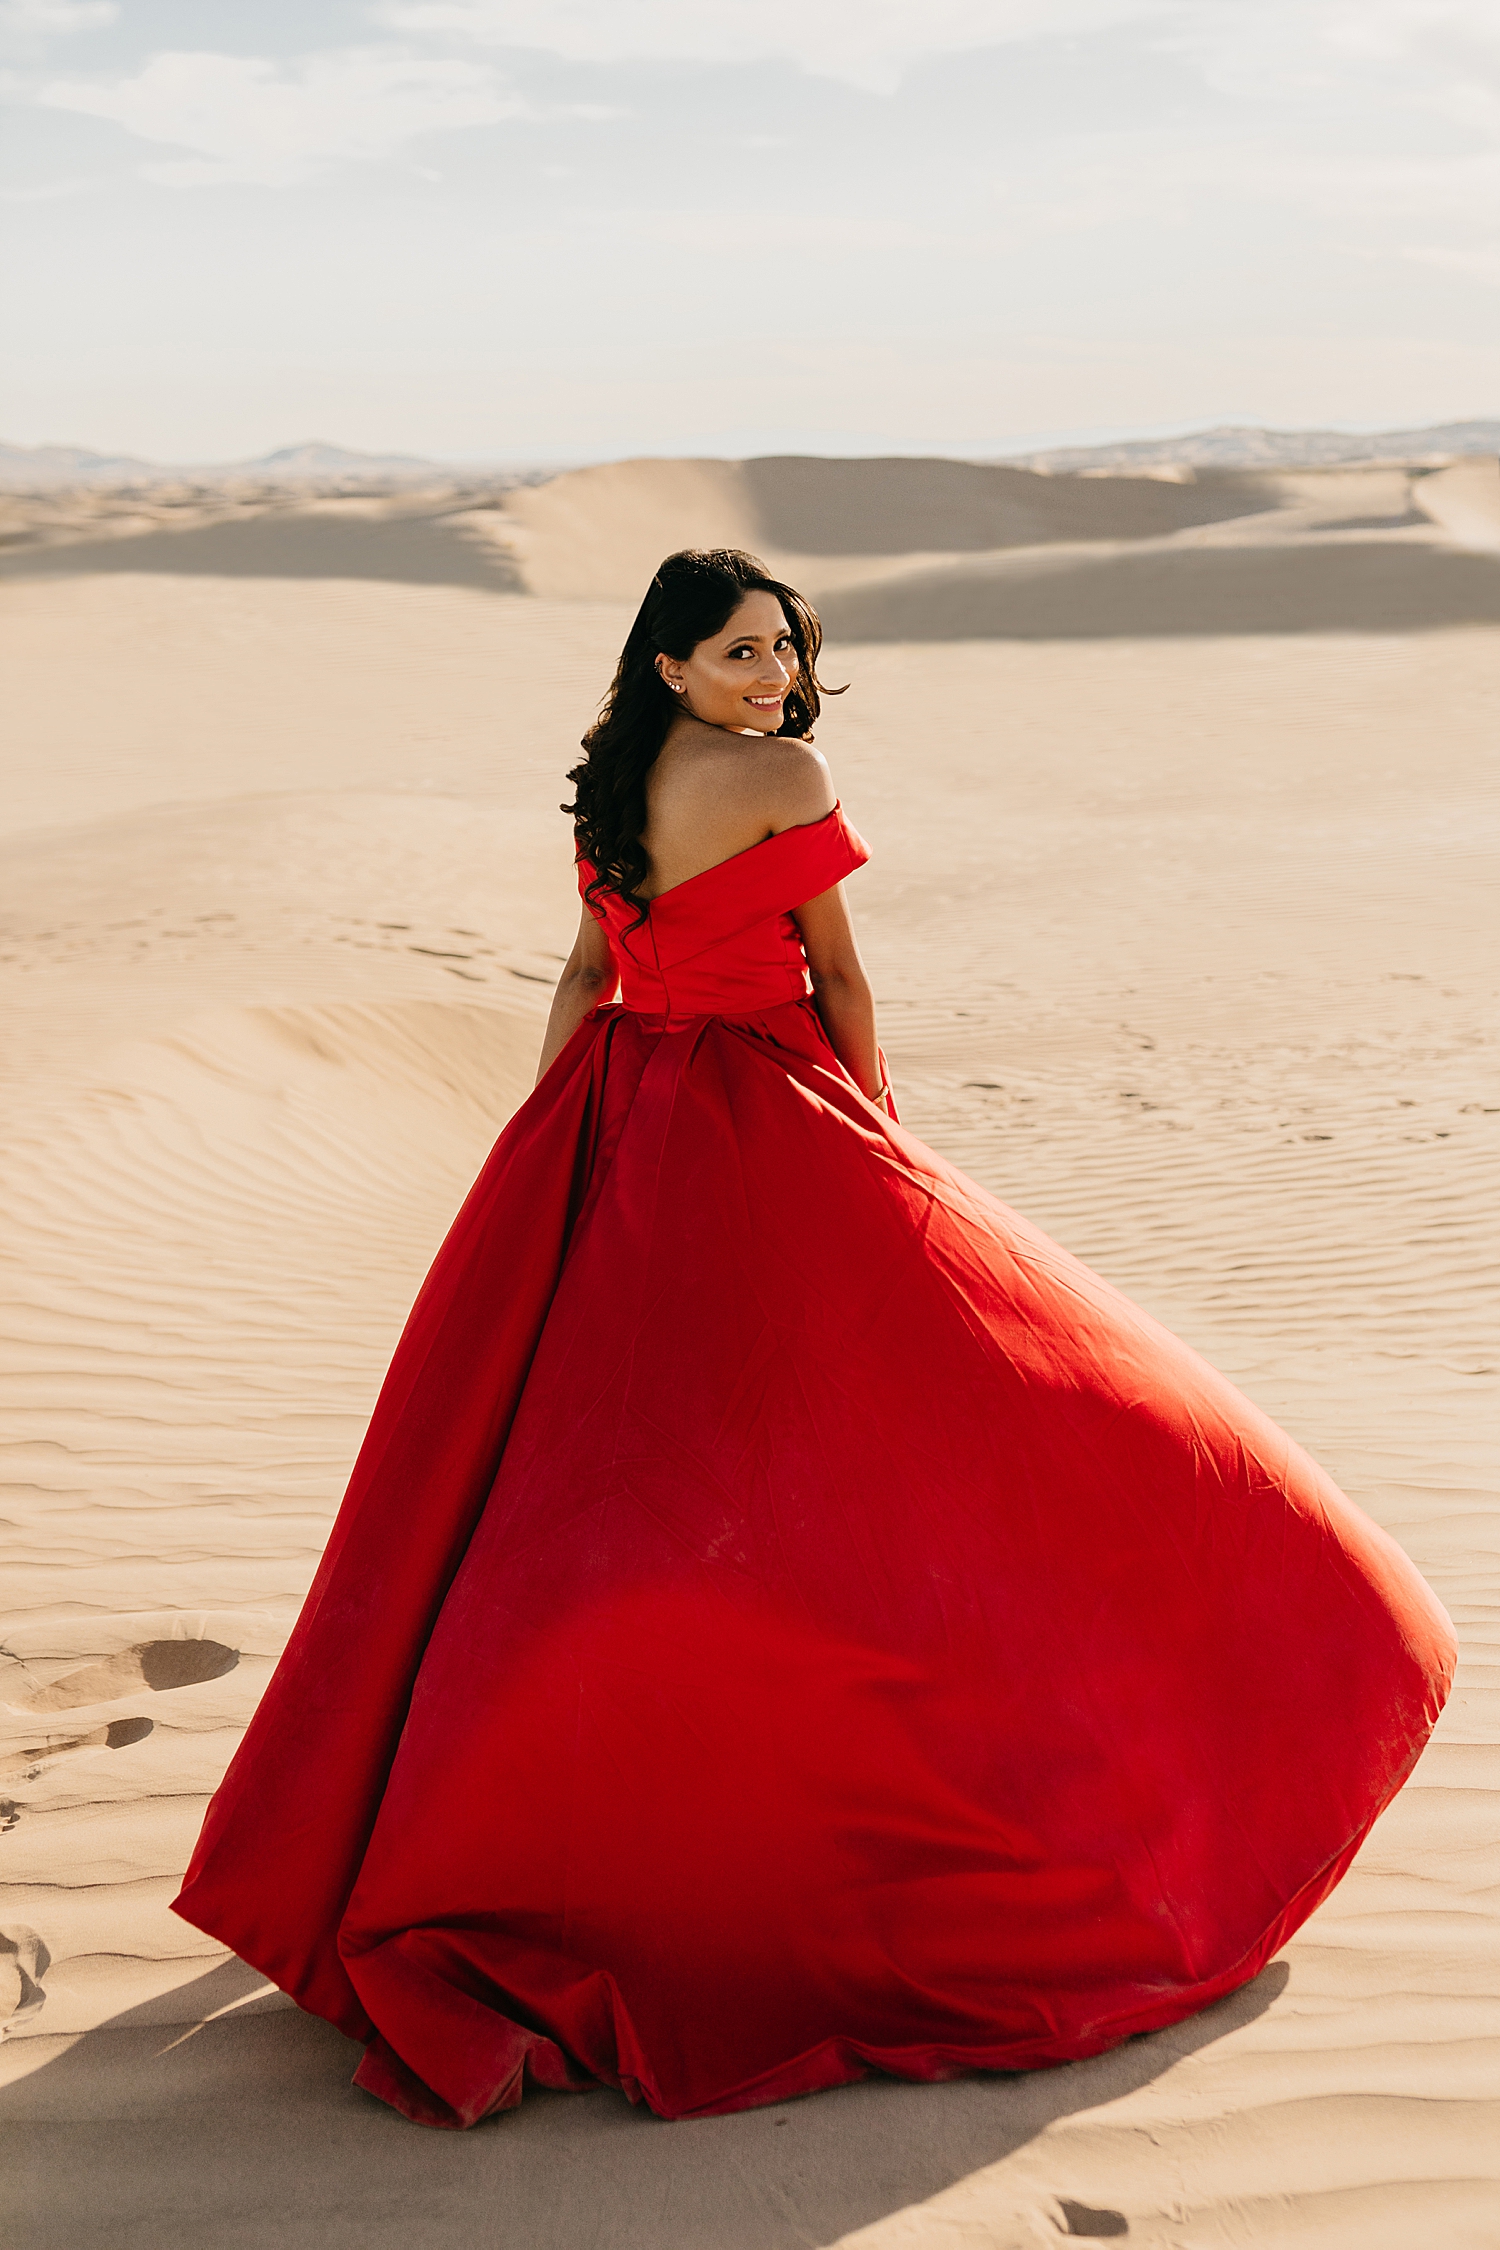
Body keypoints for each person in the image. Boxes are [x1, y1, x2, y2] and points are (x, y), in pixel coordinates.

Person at [173, 547, 1455, 2132]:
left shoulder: (609, 786)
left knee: (559, 1476)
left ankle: (469, 1819)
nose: (774, 673)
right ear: (670, 666)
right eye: (738, 649)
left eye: (784, 647)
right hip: (767, 1115)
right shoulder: (788, 776)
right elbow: (839, 971)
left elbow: (587, 975)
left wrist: (542, 1151)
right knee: (900, 1423)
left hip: (612, 1112)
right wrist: (879, 1143)